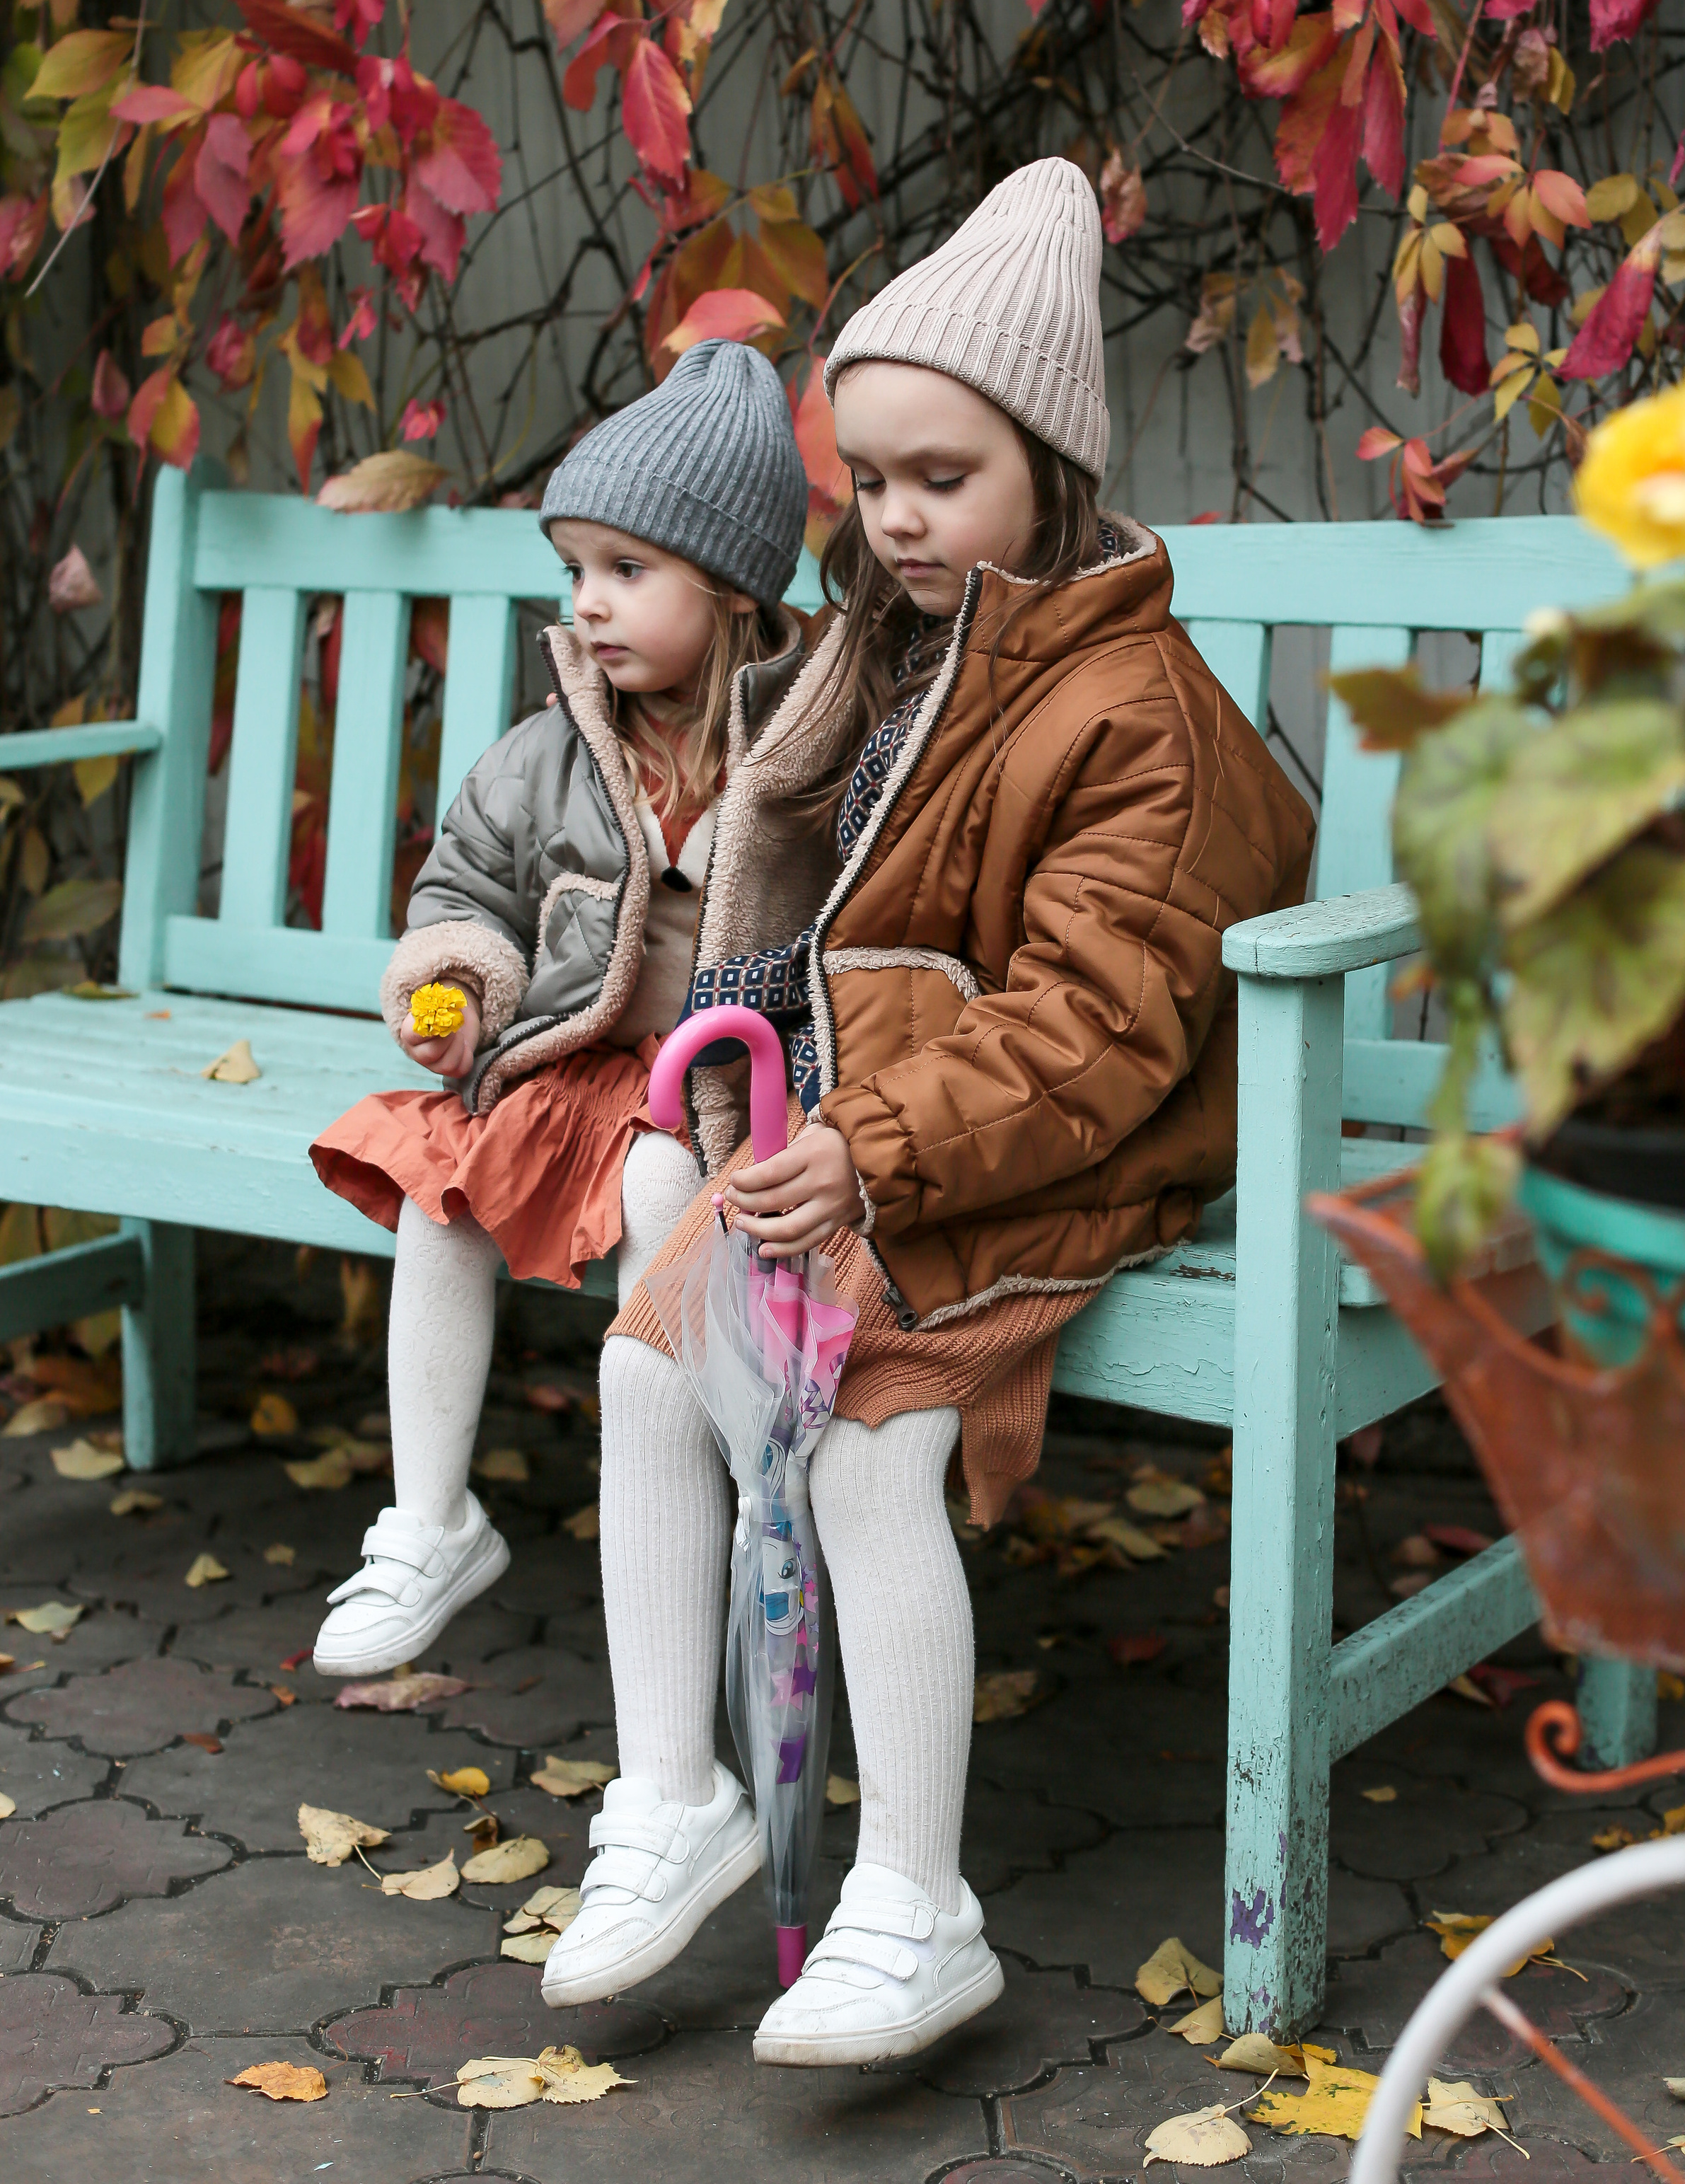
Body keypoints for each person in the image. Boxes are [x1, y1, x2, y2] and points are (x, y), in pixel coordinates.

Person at [540, 159, 1317, 2066]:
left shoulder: (1140, 711)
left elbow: (1099, 1023)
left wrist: (875, 1152)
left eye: (939, 479)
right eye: (868, 479)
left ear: (1049, 465)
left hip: (1073, 1140)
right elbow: (805, 899)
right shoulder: (897, 653)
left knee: (871, 1434)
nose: (892, 519)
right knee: (654, 1369)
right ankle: (679, 1799)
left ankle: (918, 1906)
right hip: (881, 1124)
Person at [305, 339, 810, 1676]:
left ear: (737, 587)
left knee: (663, 1202)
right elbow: (463, 886)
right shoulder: (548, 753)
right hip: (583, 1064)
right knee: (440, 1181)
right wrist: (459, 988)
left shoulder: (808, 750)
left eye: (627, 572)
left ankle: (718, 1515)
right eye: (575, 569)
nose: (589, 604)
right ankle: (430, 1518)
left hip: (734, 1090)